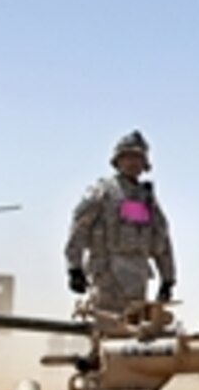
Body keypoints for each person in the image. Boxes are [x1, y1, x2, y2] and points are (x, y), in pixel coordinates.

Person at [64, 130, 176, 314]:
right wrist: (74, 269)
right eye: (127, 157)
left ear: (144, 163)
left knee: (133, 330)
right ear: (117, 161)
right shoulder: (103, 192)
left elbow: (162, 240)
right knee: (107, 327)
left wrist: (168, 280)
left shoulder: (146, 199)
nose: (132, 162)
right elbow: (79, 229)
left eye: (137, 157)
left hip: (137, 277)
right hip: (108, 276)